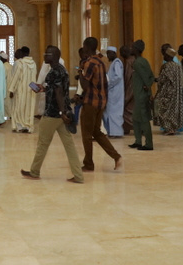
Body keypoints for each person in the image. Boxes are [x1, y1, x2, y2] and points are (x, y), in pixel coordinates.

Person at [21, 46, 83, 184]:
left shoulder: (54, 72)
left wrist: (60, 112)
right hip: (63, 113)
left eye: (46, 54)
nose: (44, 56)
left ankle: (34, 172)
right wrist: (44, 88)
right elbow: (55, 88)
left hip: (53, 113)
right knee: (69, 145)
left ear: (53, 56)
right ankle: (78, 175)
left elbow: (59, 93)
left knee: (43, 143)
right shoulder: (62, 70)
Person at [79, 37, 122, 172]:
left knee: (86, 133)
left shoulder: (90, 63)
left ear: (86, 47)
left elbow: (85, 85)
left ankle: (89, 164)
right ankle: (116, 156)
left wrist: (80, 72)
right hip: (101, 102)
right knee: (96, 132)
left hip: (91, 102)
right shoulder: (101, 62)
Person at [128, 40, 155, 151]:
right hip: (139, 94)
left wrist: (147, 88)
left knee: (143, 119)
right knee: (135, 118)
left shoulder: (138, 63)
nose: (131, 49)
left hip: (141, 96)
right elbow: (152, 76)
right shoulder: (142, 61)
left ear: (137, 49)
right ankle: (138, 141)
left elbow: (147, 78)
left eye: (133, 47)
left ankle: (149, 144)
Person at [154, 46, 183, 135]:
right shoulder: (177, 66)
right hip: (176, 93)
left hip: (167, 92)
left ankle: (169, 128)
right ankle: (173, 128)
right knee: (173, 110)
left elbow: (163, 79)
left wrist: (155, 80)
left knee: (163, 109)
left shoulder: (166, 66)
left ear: (168, 56)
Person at [8, 47, 37, 133]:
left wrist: (11, 90)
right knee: (28, 108)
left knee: (18, 108)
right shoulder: (33, 63)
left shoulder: (20, 63)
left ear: (22, 53)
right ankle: (27, 126)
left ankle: (20, 126)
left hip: (20, 89)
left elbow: (16, 77)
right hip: (31, 89)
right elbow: (34, 76)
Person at [103, 46, 124, 138]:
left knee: (114, 112)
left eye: (109, 53)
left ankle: (116, 133)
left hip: (115, 92)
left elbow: (118, 77)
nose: (108, 56)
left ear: (114, 53)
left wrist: (109, 83)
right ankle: (112, 132)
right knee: (109, 112)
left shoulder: (117, 62)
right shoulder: (113, 63)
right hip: (112, 91)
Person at [121, 45, 135, 135]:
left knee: (127, 109)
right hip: (136, 89)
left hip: (131, 88)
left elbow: (127, 77)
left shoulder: (129, 62)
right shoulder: (135, 60)